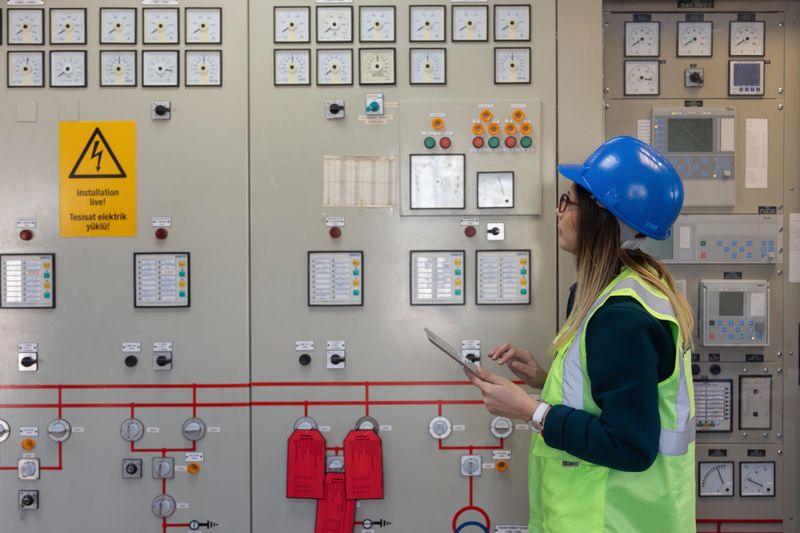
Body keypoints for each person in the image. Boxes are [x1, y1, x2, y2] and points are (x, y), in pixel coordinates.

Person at [464, 136, 696, 532]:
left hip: (613, 517)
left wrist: (529, 410)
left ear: (599, 216)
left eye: (566, 203)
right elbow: (611, 390)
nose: (558, 213)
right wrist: (540, 377)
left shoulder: (621, 316)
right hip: (606, 512)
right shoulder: (615, 291)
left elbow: (630, 446)